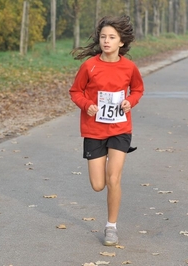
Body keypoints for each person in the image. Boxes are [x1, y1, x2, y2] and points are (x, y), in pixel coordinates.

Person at [69, 15, 144, 246]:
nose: (106, 41)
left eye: (112, 37)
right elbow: (75, 91)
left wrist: (130, 101)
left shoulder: (129, 67)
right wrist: (87, 105)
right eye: (103, 37)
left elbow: (138, 89)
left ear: (121, 42)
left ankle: (111, 227)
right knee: (98, 185)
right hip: (93, 130)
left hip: (120, 128)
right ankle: (110, 220)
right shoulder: (89, 66)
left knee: (114, 178)